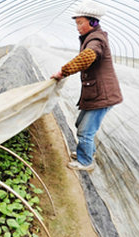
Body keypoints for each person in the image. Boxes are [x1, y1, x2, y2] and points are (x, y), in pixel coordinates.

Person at [51, 0, 123, 171]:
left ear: (93, 22)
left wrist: (63, 71)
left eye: (80, 23)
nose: (77, 27)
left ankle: (85, 162)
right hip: (96, 93)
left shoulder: (96, 39)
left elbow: (88, 56)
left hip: (103, 95)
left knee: (85, 131)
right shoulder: (91, 37)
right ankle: (88, 152)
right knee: (80, 124)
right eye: (76, 23)